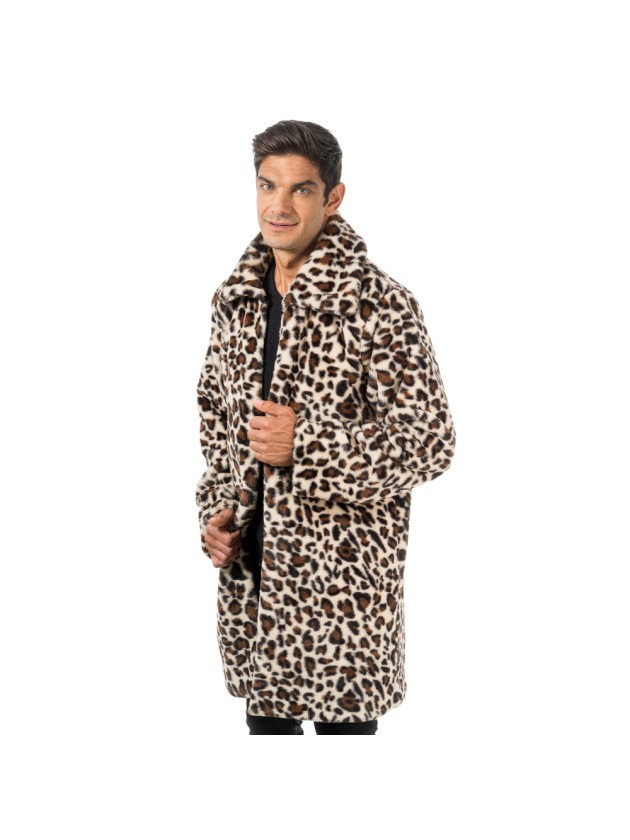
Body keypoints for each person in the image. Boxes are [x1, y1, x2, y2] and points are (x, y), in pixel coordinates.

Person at [196, 120, 456, 735]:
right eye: (268, 185)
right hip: (256, 592)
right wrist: (216, 511)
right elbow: (214, 422)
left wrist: (306, 445)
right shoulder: (236, 301)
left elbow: (430, 440)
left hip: (344, 601)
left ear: (333, 197)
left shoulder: (378, 304)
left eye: (301, 189)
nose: (279, 206)